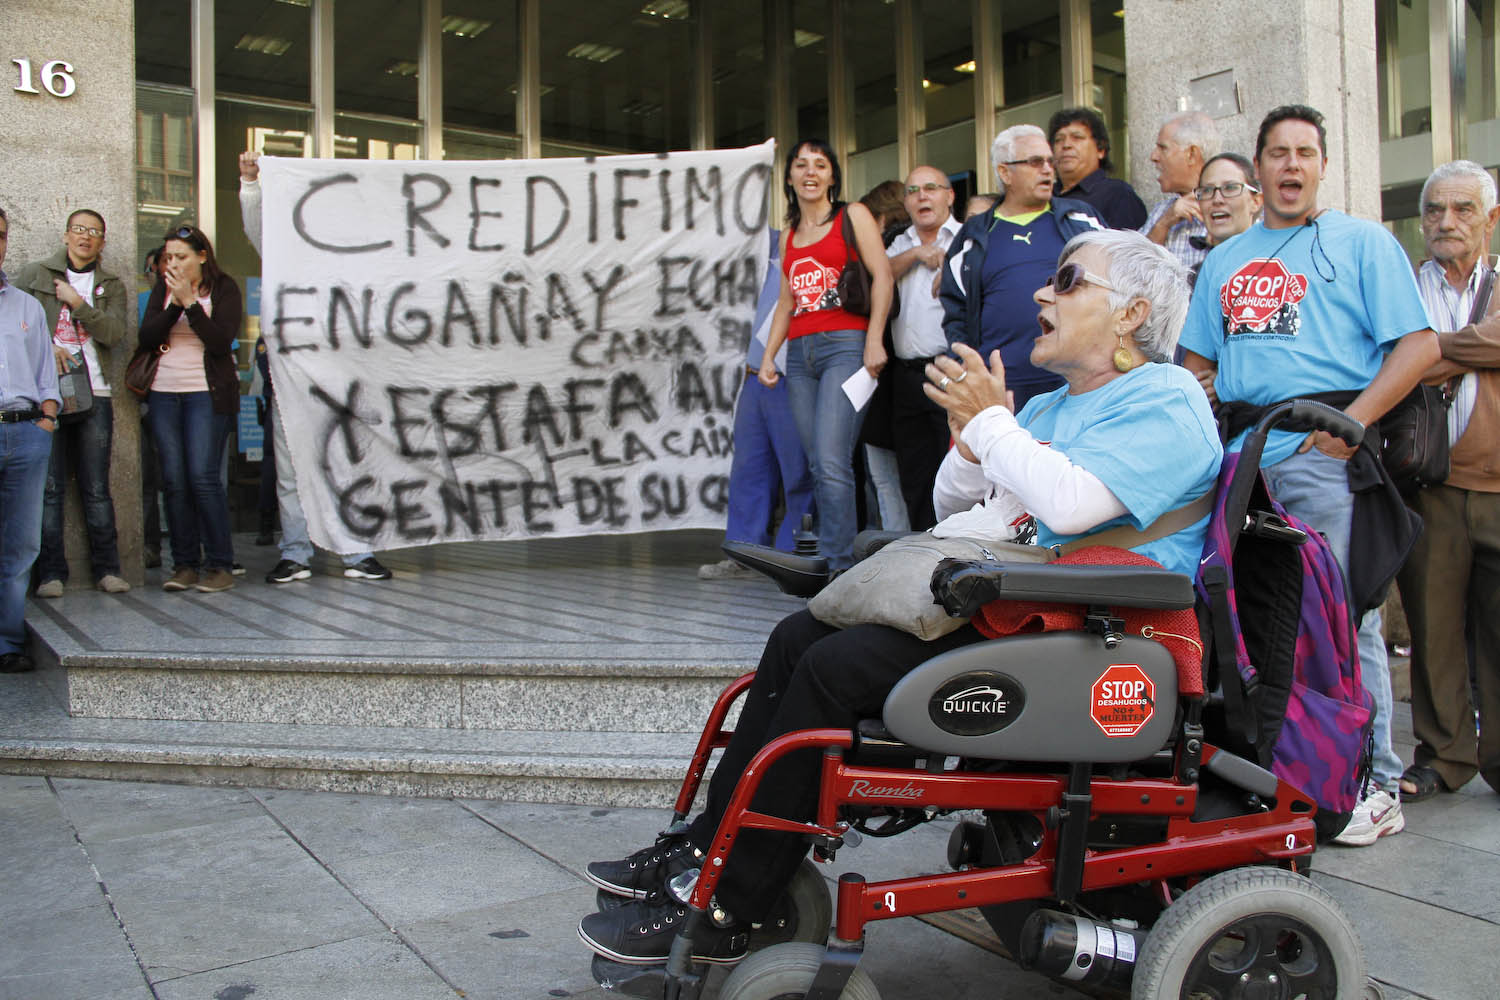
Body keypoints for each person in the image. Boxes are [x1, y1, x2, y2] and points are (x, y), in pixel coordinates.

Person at [579, 229, 1221, 967]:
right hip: (1018, 597)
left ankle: (732, 904)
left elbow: (1073, 507)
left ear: (1131, 313)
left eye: (1069, 281)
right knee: (796, 639)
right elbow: (957, 506)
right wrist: (970, 442)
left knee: (834, 669)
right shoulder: (1050, 409)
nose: (1045, 293)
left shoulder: (1167, 398)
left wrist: (992, 423)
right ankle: (706, 843)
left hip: (1090, 627)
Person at [1181, 105, 1440, 846]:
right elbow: (1198, 359)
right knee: (1251, 617)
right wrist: (1201, 388)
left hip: (1324, 454)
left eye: (1305, 153)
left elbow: (1417, 347)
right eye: (1277, 154)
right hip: (1242, 458)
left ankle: (1375, 779)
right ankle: (1286, 769)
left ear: (1323, 165)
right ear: (1258, 171)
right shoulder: (1225, 260)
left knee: (1345, 618)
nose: (1291, 165)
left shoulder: (1362, 242)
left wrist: (1349, 427)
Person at [1396, 159, 1500, 800]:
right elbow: (1387, 355)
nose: (1445, 221)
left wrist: (1430, 350)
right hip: (1428, 482)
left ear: (1491, 219)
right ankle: (1443, 756)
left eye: (1462, 209)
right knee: (1432, 629)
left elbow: (1414, 356)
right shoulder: (1404, 287)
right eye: (1434, 210)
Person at [238, 151, 392, 583]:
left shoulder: (364, 263)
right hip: (294, 380)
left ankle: (357, 552)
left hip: (348, 380)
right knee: (291, 471)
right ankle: (296, 552)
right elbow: (259, 231)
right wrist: (251, 186)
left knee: (352, 465)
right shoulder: (291, 251)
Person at [757, 140, 894, 572]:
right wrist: (769, 356)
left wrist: (874, 339)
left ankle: (839, 568)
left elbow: (884, 276)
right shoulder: (790, 236)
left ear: (832, 176)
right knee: (818, 463)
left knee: (833, 462)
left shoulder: (852, 216)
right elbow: (785, 302)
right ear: (791, 177)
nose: (810, 171)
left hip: (846, 346)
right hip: (800, 355)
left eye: (820, 164)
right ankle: (837, 557)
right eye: (801, 165)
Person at [941, 124, 1106, 412]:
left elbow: (1118, 280)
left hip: (1080, 382)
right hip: (1004, 392)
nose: (1047, 169)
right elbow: (956, 315)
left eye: (1049, 161)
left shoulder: (1081, 219)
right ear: (1004, 172)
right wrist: (969, 373)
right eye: (1034, 162)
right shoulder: (972, 237)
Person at [14, 209, 130, 596]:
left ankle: (108, 569)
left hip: (95, 394)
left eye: (95, 232)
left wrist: (78, 304)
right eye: (79, 229)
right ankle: (50, 573)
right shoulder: (35, 274)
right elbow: (15, 326)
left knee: (96, 488)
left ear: (102, 242)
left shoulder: (110, 283)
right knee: (49, 489)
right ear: (66, 235)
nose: (86, 237)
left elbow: (114, 333)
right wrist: (47, 346)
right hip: (47, 395)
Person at [698, 232, 815, 580]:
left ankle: (788, 555)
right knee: (749, 469)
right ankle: (744, 552)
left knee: (798, 472)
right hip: (756, 376)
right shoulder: (769, 245)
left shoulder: (822, 249)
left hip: (793, 376)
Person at [138, 225, 241, 594]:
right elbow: (147, 337)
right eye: (168, 257)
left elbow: (220, 342)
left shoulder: (224, 288)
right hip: (164, 393)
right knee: (174, 480)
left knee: (202, 477)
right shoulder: (162, 289)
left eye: (181, 256)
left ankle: (220, 564)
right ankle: (184, 564)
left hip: (205, 394)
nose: (174, 263)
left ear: (201, 256)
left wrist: (192, 305)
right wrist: (174, 304)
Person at [884, 165, 962, 529]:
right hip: (906, 376)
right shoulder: (899, 242)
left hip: (952, 371)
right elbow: (877, 274)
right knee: (915, 478)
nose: (922, 196)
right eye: (913, 190)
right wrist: (917, 254)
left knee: (958, 475)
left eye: (931, 187)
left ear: (950, 195)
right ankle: (921, 558)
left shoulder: (967, 239)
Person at [0, 208, 60, 673]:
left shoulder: (25, 306)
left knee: (21, 545)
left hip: (27, 434)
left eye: (0, 236)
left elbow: (45, 373)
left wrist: (48, 418)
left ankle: (8, 641)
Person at [1141, 112, 1221, 271]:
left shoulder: (1236, 207)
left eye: (1163, 148)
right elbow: (1130, 274)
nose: (1153, 157)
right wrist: (1164, 224)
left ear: (1192, 154)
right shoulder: (1162, 212)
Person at [1048, 107, 1147, 229]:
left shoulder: (1118, 195)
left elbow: (1128, 247)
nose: (1066, 145)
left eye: (1077, 137)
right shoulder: (1045, 195)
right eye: (1059, 140)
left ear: (1100, 150)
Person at [1186, 153, 1262, 293]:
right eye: (1207, 190)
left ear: (1256, 201)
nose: (1217, 199)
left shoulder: (1276, 269)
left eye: (1230, 188)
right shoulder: (1194, 281)